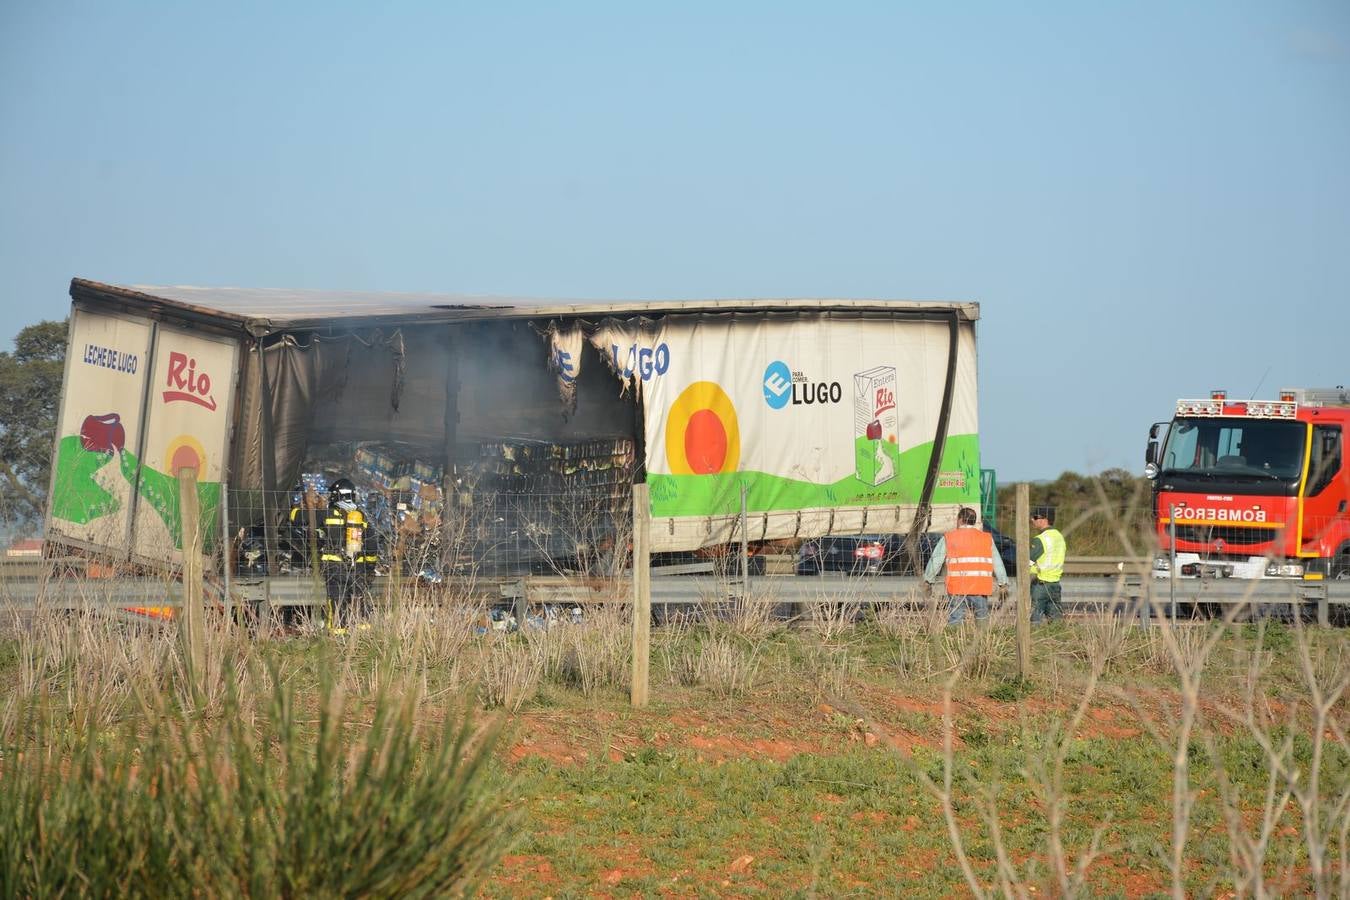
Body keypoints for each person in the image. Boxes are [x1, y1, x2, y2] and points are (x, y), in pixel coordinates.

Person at [923, 506, 1009, 625]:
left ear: (960, 519)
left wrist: (928, 580)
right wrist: (1003, 583)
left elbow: (936, 561)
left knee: (956, 620)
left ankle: (955, 641)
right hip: (980, 587)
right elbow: (997, 562)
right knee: (982, 620)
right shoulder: (986, 538)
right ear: (973, 521)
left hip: (957, 587)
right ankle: (982, 642)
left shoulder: (949, 537)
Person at [320, 477, 375, 631]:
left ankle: (338, 635)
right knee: (359, 600)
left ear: (335, 495)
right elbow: (371, 544)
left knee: (337, 601)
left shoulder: (328, 514)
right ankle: (365, 636)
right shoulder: (361, 517)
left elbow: (296, 517)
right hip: (357, 567)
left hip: (334, 566)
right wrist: (370, 566)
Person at [1029, 506, 1066, 623]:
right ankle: (1058, 638)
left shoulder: (1040, 539)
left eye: (1035, 517)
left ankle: (1035, 639)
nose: (1032, 520)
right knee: (1055, 619)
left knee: (1035, 618)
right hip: (1055, 584)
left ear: (1044, 520)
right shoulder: (1060, 537)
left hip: (1041, 584)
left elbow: (1027, 563)